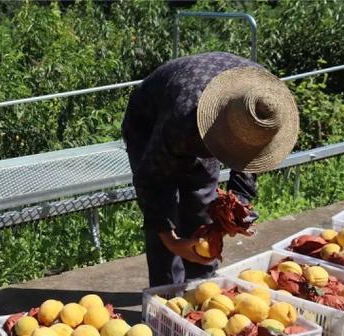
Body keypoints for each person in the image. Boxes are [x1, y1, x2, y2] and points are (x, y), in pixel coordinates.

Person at [121, 51, 299, 287]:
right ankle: (167, 294)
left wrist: (235, 211)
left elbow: (250, 156)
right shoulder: (184, 121)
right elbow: (152, 182)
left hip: (201, 112)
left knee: (202, 202)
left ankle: (201, 287)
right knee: (165, 216)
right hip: (149, 120)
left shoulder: (262, 102)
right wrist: (173, 241)